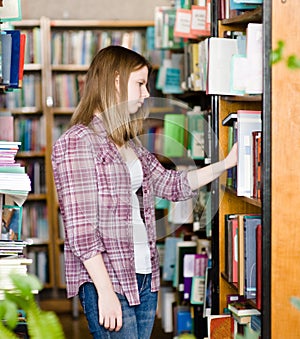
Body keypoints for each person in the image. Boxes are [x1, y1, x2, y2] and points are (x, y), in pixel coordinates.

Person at [51, 45, 237, 339]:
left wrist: (226, 164)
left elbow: (171, 184)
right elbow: (80, 230)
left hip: (144, 277)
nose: (147, 93)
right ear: (115, 81)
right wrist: (105, 291)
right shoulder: (77, 142)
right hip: (110, 280)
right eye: (139, 83)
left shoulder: (129, 144)